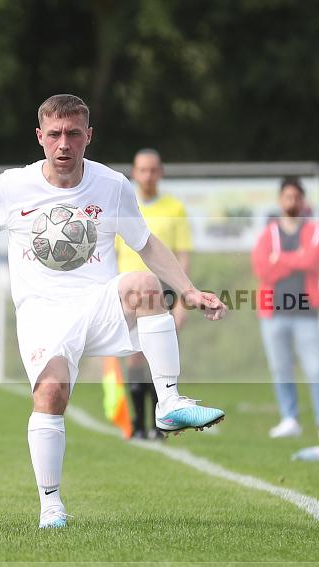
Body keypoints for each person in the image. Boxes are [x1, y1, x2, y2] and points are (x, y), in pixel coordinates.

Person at [0, 94, 226, 529]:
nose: (63, 143)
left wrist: (189, 290)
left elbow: (146, 244)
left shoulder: (113, 185)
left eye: (72, 134)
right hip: (42, 313)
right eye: (54, 134)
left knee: (144, 285)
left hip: (98, 301)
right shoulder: (14, 186)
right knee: (51, 397)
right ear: (39, 138)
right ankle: (51, 506)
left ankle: (169, 402)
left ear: (89, 136)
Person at [251, 177, 319, 442]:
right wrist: (294, 260)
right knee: (281, 367)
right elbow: (262, 269)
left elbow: (313, 261)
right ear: (280, 200)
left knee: (316, 367)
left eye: (296, 197)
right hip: (273, 311)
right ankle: (289, 418)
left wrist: (280, 260)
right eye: (287, 197)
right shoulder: (268, 233)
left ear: (303, 201)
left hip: (305, 310)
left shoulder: (315, 231)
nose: (292, 202)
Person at [114, 148, 193, 440]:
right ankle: (137, 424)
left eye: (152, 170)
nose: (147, 175)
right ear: (134, 173)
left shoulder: (174, 208)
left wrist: (184, 299)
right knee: (134, 357)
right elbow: (112, 253)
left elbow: (183, 255)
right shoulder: (123, 204)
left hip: (163, 291)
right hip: (127, 290)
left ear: (160, 173)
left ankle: (161, 424)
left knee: (157, 357)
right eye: (142, 170)